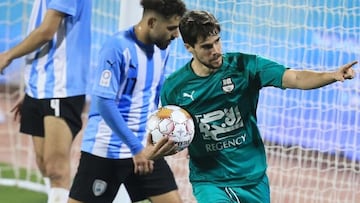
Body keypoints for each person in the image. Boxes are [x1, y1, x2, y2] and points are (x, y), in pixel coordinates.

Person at [160, 10, 357, 203]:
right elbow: (172, 131)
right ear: (189, 47)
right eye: (206, 47)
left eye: (217, 41)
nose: (216, 51)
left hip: (252, 177)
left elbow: (295, 78)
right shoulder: (175, 87)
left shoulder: (245, 66)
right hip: (211, 181)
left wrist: (331, 76)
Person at [68, 0, 187, 203]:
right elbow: (104, 101)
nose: (176, 35)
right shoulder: (117, 47)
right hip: (106, 149)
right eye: (171, 28)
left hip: (145, 149)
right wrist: (135, 148)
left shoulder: (163, 49)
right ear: (151, 23)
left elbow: (155, 92)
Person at [0, 0, 91, 203]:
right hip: (39, 86)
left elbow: (46, 31)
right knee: (44, 165)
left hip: (62, 87)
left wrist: (7, 56)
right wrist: (33, 86)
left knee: (56, 168)